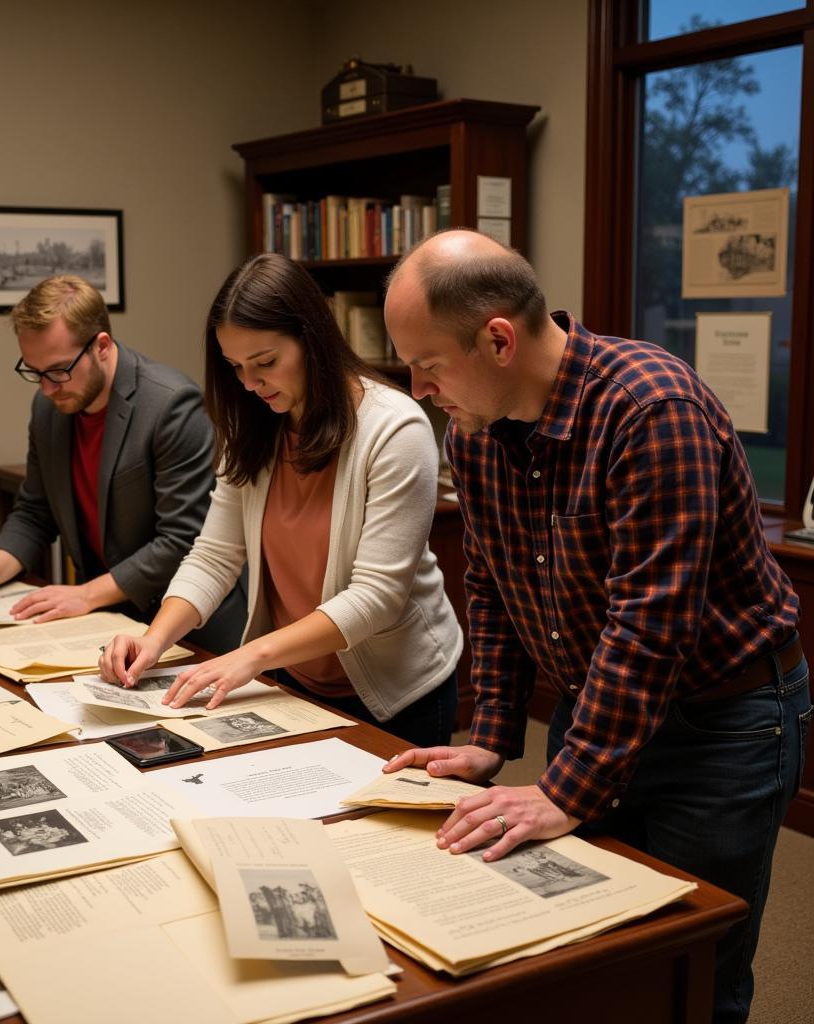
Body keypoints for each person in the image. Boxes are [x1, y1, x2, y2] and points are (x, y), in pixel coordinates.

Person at [382, 229, 811, 1024]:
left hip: (722, 722)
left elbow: (650, 626)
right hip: (603, 702)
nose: (418, 388)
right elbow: (493, 583)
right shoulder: (474, 435)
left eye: (428, 365)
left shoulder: (651, 409)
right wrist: (493, 732)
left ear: (498, 339)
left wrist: (565, 789)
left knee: (692, 967)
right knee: (593, 948)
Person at [98, 253, 462, 747]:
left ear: (312, 340)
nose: (249, 384)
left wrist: (251, 655)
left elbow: (375, 597)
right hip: (294, 676)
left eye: (265, 363)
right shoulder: (257, 426)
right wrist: (155, 639)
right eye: (236, 368)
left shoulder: (394, 428)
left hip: (396, 692)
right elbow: (214, 556)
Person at [0, 275, 245, 652]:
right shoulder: (49, 407)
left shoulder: (171, 405)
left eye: (57, 371)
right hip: (107, 620)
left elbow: (181, 541)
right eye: (35, 373)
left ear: (101, 346)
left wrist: (86, 595)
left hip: (190, 631)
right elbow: (34, 513)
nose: (47, 388)